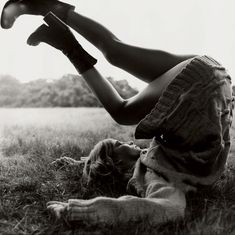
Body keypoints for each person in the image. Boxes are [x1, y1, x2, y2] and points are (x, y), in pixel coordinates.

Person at [1, 0, 234, 227]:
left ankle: (60, 32)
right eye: (120, 147)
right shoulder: (154, 174)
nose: (131, 146)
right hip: (211, 73)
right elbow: (168, 207)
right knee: (117, 67)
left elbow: (165, 204)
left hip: (206, 82)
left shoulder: (154, 165)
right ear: (116, 165)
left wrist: (77, 166)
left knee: (117, 71)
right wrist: (91, 208)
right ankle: (59, 29)